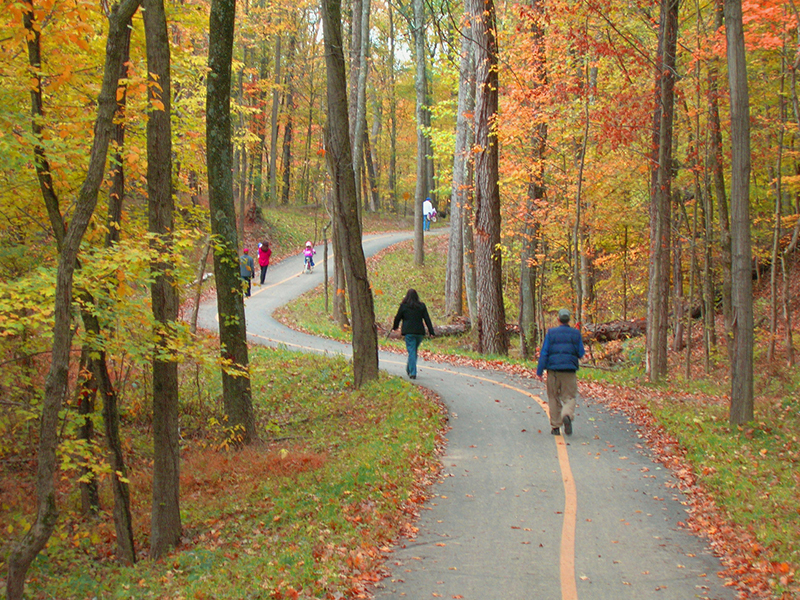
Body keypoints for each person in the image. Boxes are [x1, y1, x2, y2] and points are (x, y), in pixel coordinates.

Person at [536, 308, 585, 435]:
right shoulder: (576, 334)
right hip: (569, 371)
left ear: (558, 319)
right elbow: (581, 353)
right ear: (569, 320)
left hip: (553, 371)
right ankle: (567, 414)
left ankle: (556, 427)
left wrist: (540, 371)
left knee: (553, 397)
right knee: (570, 397)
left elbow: (544, 353)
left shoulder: (551, 333)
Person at [392, 288, 435, 379]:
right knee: (413, 351)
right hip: (419, 333)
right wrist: (431, 331)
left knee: (412, 351)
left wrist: (395, 327)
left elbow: (398, 317)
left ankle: (413, 372)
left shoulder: (404, 306)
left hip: (409, 332)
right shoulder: (421, 306)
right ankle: (409, 369)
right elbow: (427, 319)